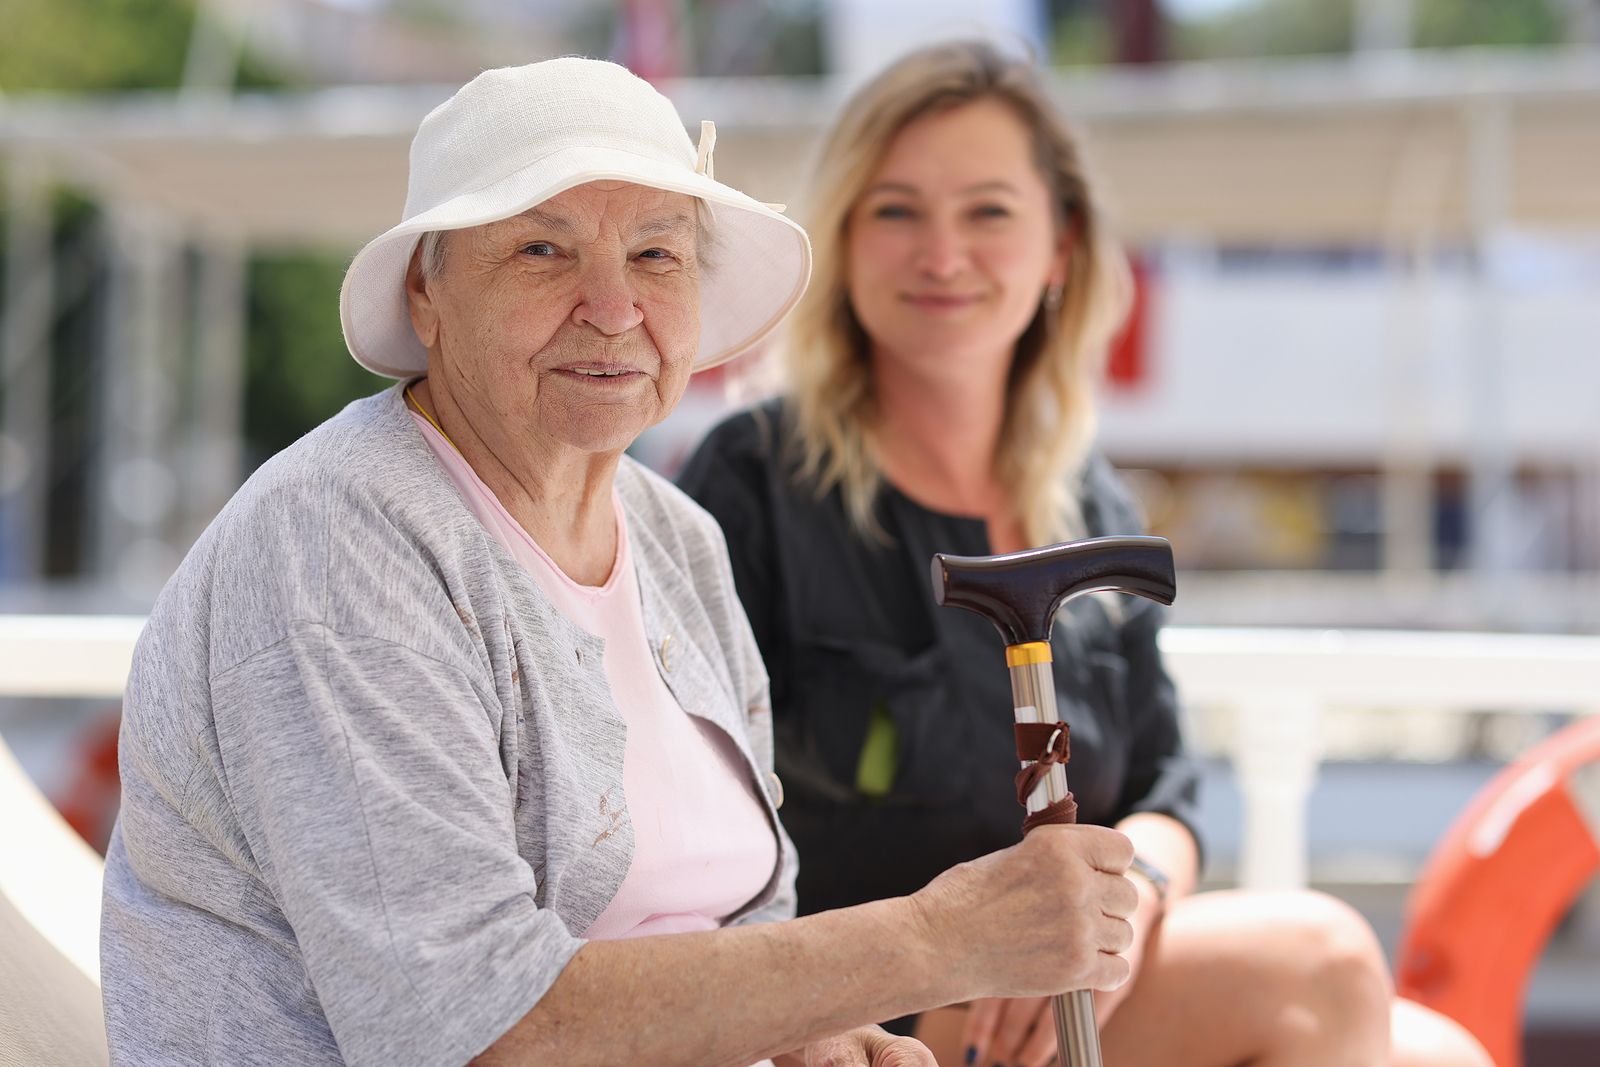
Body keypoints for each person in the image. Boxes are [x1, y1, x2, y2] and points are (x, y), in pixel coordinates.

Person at [98, 58, 1145, 1067]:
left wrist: (818, 1030)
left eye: (655, 254)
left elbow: (737, 925)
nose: (613, 307)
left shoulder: (676, 538)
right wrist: (928, 942)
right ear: (428, 290)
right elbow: (466, 1029)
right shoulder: (339, 543)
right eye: (542, 252)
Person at [679, 40, 1493, 1067]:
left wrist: (1135, 902)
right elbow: (684, 820)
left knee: (1442, 1050)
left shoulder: (1083, 494)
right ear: (841, 240)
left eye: (988, 211)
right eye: (894, 211)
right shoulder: (751, 483)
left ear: (1059, 247)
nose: (941, 254)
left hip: (1071, 983)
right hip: (884, 1007)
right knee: (1321, 961)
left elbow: (1165, 780)